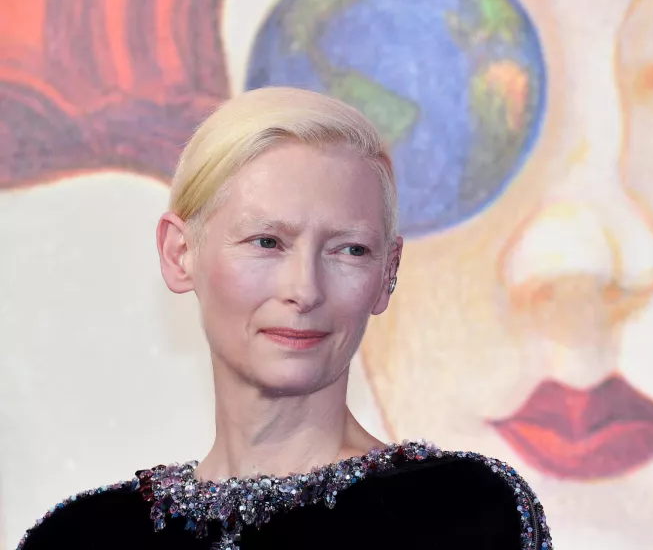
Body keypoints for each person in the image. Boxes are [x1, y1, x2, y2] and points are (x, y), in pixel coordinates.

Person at [15, 87, 553, 550]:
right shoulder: (79, 538)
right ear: (180, 253)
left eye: (349, 250)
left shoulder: (465, 514)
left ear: (388, 272)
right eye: (267, 242)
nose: (304, 290)